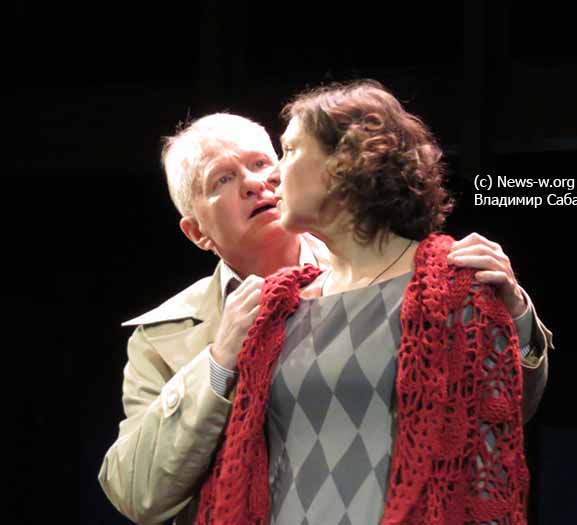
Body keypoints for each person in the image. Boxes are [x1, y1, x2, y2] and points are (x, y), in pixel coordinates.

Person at [98, 99, 553, 524]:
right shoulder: (165, 335)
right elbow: (136, 494)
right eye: (222, 179)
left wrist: (515, 317)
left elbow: (501, 408)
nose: (257, 182)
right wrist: (218, 363)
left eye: (264, 162)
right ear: (197, 232)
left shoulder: (408, 274)